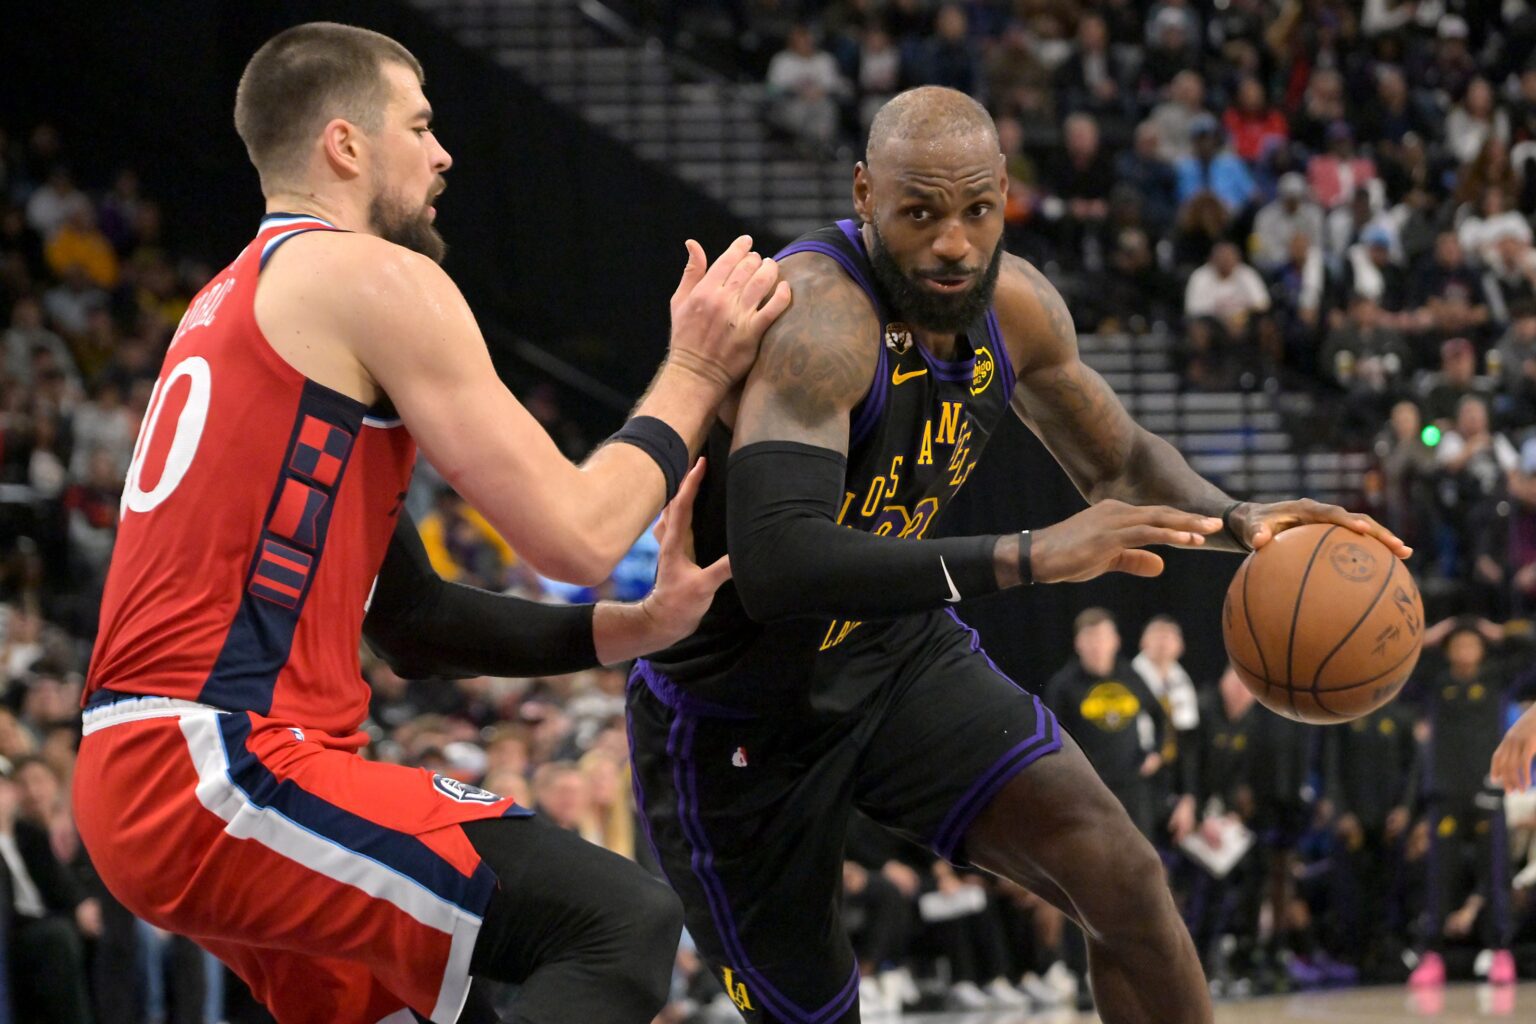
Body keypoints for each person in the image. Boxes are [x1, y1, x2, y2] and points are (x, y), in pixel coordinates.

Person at [627, 86, 1408, 1024]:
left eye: (976, 210)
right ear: (865, 194)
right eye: (920, 213)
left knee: (1125, 883)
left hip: (891, 657)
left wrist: (1238, 517)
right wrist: (1028, 554)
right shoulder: (822, 320)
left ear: (1005, 190)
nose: (954, 243)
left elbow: (1119, 462)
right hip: (738, 711)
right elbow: (777, 564)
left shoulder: (1019, 306)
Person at [70, 22, 790, 1024]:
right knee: (617, 924)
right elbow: (581, 535)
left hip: (159, 767)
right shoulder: (366, 276)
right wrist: (699, 369)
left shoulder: (238, 303)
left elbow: (414, 622)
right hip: (220, 759)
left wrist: (625, 629)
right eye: (419, 126)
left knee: (445, 1007)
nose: (444, 153)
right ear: (345, 144)